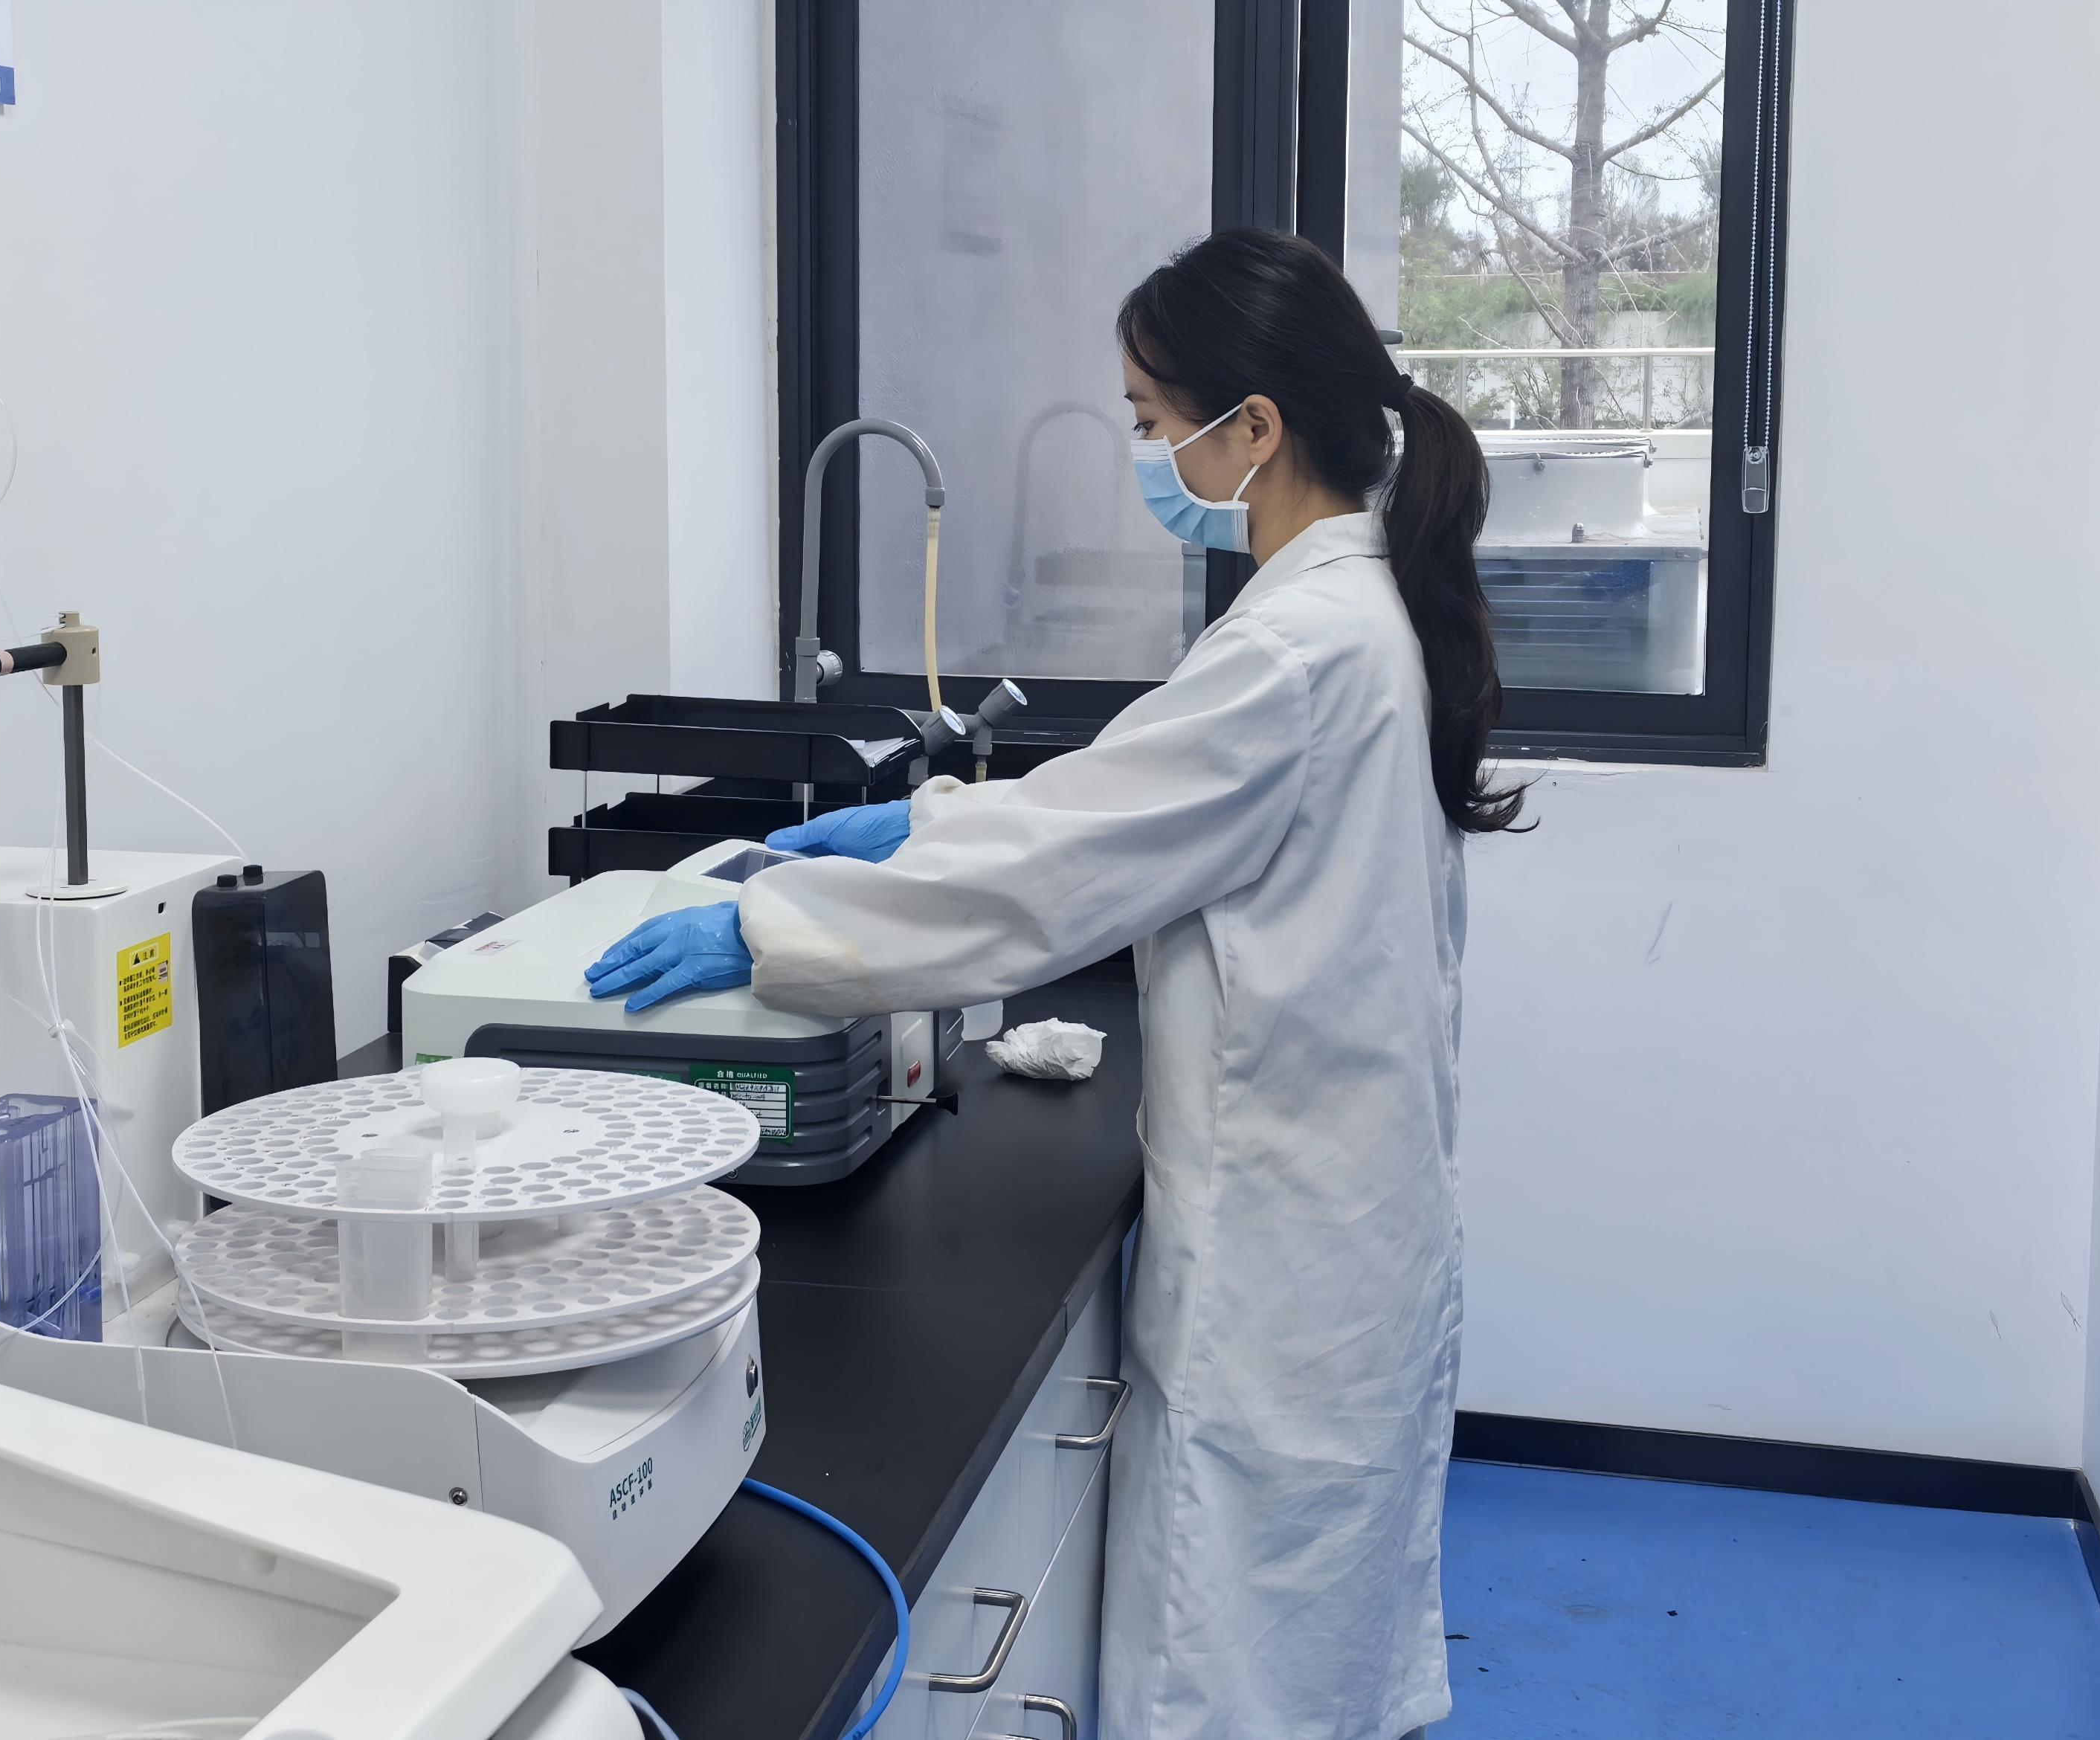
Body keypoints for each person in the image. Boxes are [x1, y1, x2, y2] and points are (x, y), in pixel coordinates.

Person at [587, 228, 1519, 1740]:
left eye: (1152, 421)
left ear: (1253, 428)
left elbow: (1058, 873)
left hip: (1288, 1236)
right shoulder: (1353, 614)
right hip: (1347, 1202)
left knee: (1245, 1657)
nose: (1146, 454)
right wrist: (923, 823)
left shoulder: (1298, 646)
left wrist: (768, 929)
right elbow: (1129, 805)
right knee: (1306, 1627)